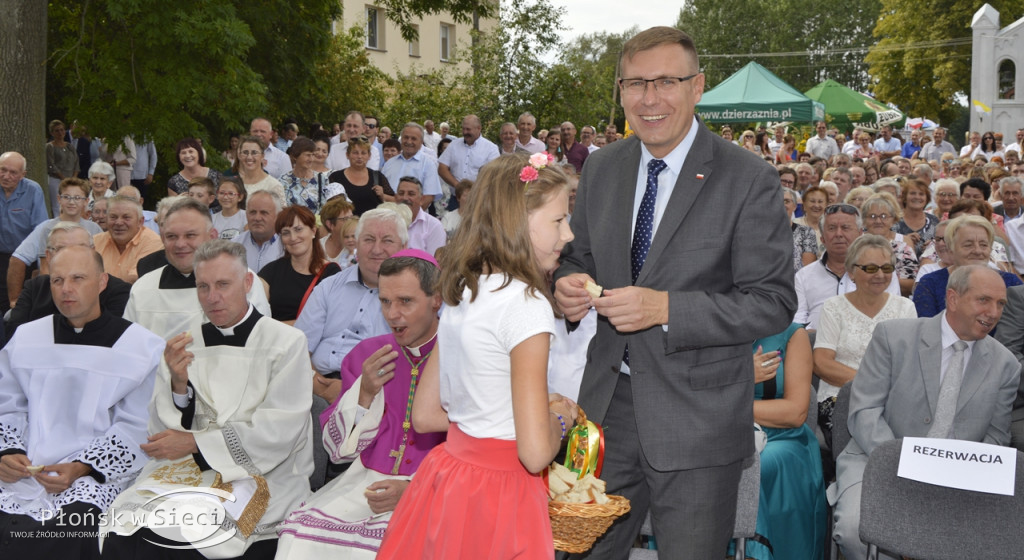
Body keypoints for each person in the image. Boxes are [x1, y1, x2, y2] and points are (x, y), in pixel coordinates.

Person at [551, 27, 796, 558]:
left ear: (698, 85)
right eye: (635, 83)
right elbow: (578, 256)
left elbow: (773, 300)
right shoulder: (602, 166)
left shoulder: (748, 177)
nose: (649, 98)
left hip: (699, 422)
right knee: (575, 552)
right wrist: (564, 286)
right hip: (603, 412)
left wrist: (665, 308)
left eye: (666, 81)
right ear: (619, 91)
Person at [378, 154, 579, 558]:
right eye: (558, 221)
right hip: (501, 491)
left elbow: (425, 415)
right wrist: (561, 417)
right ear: (518, 222)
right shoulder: (526, 305)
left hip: (451, 477)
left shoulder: (467, 291)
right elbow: (535, 451)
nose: (569, 234)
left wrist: (488, 419)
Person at [103, 240, 313, 558]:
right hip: (189, 470)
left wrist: (197, 444)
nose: (211, 297)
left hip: (261, 473)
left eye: (222, 285)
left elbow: (279, 429)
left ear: (246, 283)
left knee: (179, 541)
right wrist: (178, 384)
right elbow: (163, 431)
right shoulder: (186, 342)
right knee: (125, 530)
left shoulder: (286, 342)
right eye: (203, 286)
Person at [832, 265, 1020, 560]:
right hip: (876, 459)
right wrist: (907, 464)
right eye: (984, 300)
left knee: (980, 537)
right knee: (859, 529)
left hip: (958, 476)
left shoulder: (1006, 365)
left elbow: (996, 437)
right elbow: (864, 412)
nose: (994, 312)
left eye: (1000, 304)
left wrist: (960, 475)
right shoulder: (893, 337)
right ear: (953, 299)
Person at [277, 251, 447, 558]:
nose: (392, 314)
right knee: (299, 536)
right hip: (365, 481)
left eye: (405, 301)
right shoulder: (369, 354)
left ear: (436, 299)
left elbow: (474, 447)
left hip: (437, 488)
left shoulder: (461, 355)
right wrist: (365, 391)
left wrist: (415, 489)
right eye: (384, 301)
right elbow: (337, 451)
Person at [0, 245, 163, 560]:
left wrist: (82, 467)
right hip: (24, 468)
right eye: (57, 280)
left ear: (102, 282)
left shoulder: (139, 347)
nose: (66, 289)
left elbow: (137, 425)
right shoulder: (27, 338)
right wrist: (7, 452)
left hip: (89, 475)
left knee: (72, 532)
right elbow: (7, 403)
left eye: (78, 278)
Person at [728, 324, 826, 560]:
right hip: (717, 434)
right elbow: (685, 397)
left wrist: (724, 406)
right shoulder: (704, 331)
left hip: (781, 437)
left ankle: (753, 553)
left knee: (751, 466)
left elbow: (794, 413)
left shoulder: (791, 335)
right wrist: (741, 374)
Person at [812, 234, 916, 440]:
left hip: (893, 399)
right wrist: (872, 385)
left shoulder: (906, 307)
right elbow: (822, 363)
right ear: (851, 272)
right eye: (870, 268)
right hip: (840, 397)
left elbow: (911, 364)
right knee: (871, 435)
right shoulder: (834, 307)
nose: (879, 274)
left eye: (886, 268)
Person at [124, 196, 270, 339]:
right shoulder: (143, 287)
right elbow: (131, 347)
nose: (180, 244)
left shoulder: (240, 280)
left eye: (190, 235)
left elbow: (259, 339)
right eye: (171, 236)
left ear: (212, 236)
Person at [296, 207, 409, 377]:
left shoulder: (413, 297)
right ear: (356, 243)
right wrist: (320, 387)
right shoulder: (329, 287)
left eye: (387, 241)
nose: (377, 249)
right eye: (369, 240)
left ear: (404, 246)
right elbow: (299, 350)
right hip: (318, 382)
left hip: (378, 389)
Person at [914, 215, 1022, 318]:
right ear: (951, 248)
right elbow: (927, 329)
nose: (977, 251)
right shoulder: (930, 284)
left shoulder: (1010, 282)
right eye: (968, 245)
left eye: (983, 245)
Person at [258, 206, 340, 324]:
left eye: (298, 229)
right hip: (277, 341)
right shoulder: (270, 271)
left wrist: (276, 326)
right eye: (286, 233)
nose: (293, 238)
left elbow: (332, 320)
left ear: (313, 231)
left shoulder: (331, 273)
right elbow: (256, 319)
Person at [0, 152, 48, 313]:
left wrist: (40, 266)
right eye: (2, 170)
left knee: (18, 304)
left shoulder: (33, 190)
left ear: (23, 175)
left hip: (24, 259)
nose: (6, 176)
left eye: (13, 172)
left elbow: (40, 230)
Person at [92, 195, 163, 283]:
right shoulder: (94, 242)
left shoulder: (154, 243)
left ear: (140, 222)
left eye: (126, 217)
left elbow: (135, 280)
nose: (118, 222)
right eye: (113, 217)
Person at [860, 194, 918, 296]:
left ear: (893, 220)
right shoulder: (856, 246)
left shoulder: (903, 248)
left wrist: (876, 279)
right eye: (872, 216)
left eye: (883, 216)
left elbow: (911, 284)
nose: (878, 221)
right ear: (864, 220)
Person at [380, 123, 443, 208]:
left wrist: (411, 218)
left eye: (413, 139)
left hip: (412, 218)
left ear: (421, 142)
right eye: (406, 137)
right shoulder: (389, 163)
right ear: (401, 139)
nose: (409, 142)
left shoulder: (428, 164)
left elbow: (428, 197)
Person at [328, 137, 394, 216]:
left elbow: (395, 201)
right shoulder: (336, 177)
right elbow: (329, 206)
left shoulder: (377, 176)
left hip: (373, 225)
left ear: (369, 156)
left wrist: (383, 195)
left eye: (363, 153)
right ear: (347, 155)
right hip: (346, 226)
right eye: (355, 153)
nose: (359, 157)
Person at [231, 187, 285, 272]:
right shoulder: (234, 246)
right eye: (252, 212)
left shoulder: (287, 246)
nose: (257, 218)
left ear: (277, 216)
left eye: (264, 213)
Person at [437, 114, 500, 189]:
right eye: (463, 129)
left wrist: (474, 190)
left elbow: (495, 174)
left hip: (479, 197)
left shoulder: (491, 148)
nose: (465, 132)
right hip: (455, 197)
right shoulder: (454, 144)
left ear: (479, 128)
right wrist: (457, 186)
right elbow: (442, 168)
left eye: (468, 129)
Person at [393, 177, 446, 256]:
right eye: (401, 193)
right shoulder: (386, 222)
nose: (405, 198)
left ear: (421, 199)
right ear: (396, 198)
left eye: (411, 194)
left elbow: (434, 262)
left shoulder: (433, 226)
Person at [281, 137, 331, 214]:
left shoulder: (322, 179)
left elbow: (326, 209)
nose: (311, 159)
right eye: (307, 155)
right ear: (295, 156)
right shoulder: (283, 182)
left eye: (312, 155)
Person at [896, 178, 939, 256]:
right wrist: (903, 240)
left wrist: (933, 246)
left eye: (921, 194)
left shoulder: (934, 221)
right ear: (905, 198)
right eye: (912, 193)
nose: (917, 197)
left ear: (927, 199)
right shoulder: (893, 220)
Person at [46, 119, 79, 215]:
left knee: (71, 202)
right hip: (56, 180)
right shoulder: (49, 147)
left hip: (71, 179)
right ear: (52, 133)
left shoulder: (70, 146)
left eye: (62, 130)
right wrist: (63, 178)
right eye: (57, 130)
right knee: (57, 205)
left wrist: (73, 178)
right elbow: (51, 164)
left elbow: (76, 163)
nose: (60, 132)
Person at [783, 188, 817, 271]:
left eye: (786, 201)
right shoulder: (764, 233)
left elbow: (807, 269)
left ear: (794, 206)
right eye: (777, 201)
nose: (782, 205)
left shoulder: (806, 232)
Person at [318, 198, 357, 264]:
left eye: (352, 218)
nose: (351, 222)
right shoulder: (318, 247)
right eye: (346, 219)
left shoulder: (355, 245)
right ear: (330, 224)